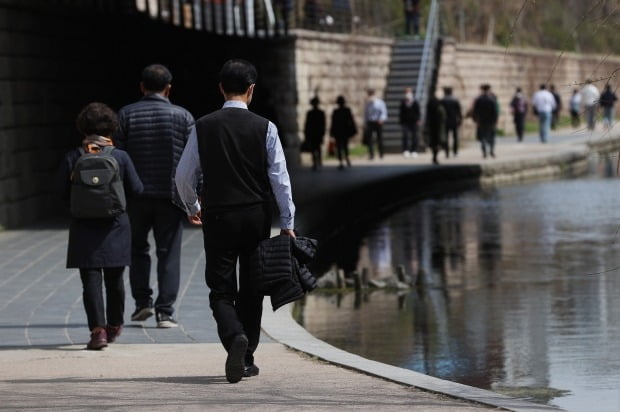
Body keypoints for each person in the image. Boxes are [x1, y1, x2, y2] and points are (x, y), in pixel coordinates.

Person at [175, 59, 296, 384]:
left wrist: (192, 205)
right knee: (253, 288)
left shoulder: (203, 126)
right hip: (256, 216)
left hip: (218, 215)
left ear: (220, 88)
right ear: (252, 89)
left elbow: (184, 175)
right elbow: (279, 178)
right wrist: (287, 220)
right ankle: (247, 356)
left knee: (220, 288)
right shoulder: (265, 127)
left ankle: (233, 337)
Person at [56, 102, 143, 350]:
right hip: (115, 225)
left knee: (90, 280)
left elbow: (59, 191)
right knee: (115, 279)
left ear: (83, 127)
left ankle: (98, 331)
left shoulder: (74, 156)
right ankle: (114, 325)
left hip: (83, 227)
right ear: (111, 127)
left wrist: (81, 205)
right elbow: (137, 189)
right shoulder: (120, 156)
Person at [116, 64, 195, 328]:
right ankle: (166, 312)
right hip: (170, 197)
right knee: (168, 252)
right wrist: (195, 199)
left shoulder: (125, 115)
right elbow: (193, 161)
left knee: (137, 249)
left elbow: (118, 159)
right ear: (169, 88)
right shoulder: (183, 117)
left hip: (135, 197)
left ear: (142, 86)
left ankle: (141, 304)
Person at [330, 95, 357, 169]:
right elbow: (351, 121)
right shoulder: (345, 110)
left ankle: (342, 161)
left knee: (340, 146)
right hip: (343, 131)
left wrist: (332, 132)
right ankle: (345, 159)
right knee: (344, 146)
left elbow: (334, 123)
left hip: (340, 131)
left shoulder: (337, 111)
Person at [472, 84, 499, 158]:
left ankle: (484, 152)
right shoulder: (492, 99)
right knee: (492, 136)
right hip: (491, 121)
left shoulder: (478, 99)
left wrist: (475, 120)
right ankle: (491, 151)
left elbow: (475, 111)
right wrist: (496, 120)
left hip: (481, 121)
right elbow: (495, 111)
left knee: (483, 136)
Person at [363, 88, 388, 160]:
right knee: (370, 139)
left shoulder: (380, 102)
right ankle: (371, 154)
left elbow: (383, 112)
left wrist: (381, 119)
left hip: (378, 122)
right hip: (370, 122)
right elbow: (366, 114)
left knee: (379, 139)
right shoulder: (367, 103)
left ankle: (381, 153)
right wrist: (365, 123)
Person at [304, 96, 326, 171]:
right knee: (316, 148)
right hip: (316, 133)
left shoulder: (311, 113)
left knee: (315, 148)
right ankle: (318, 162)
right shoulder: (320, 113)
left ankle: (316, 162)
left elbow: (307, 125)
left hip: (314, 133)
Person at [440, 86, 462, 157]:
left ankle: (447, 152)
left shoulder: (442, 101)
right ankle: (455, 151)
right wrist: (460, 120)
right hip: (454, 120)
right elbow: (459, 112)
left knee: (446, 136)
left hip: (445, 121)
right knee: (455, 137)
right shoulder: (455, 100)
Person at [398, 87, 420, 158]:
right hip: (405, 121)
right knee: (405, 136)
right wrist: (400, 121)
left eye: (409, 92)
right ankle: (406, 150)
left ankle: (414, 150)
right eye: (406, 92)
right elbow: (401, 112)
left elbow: (418, 111)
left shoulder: (415, 101)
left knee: (414, 136)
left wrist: (418, 119)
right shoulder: (403, 102)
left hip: (413, 121)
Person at [425, 94, 446, 165]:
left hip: (431, 126)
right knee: (437, 142)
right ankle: (435, 156)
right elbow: (443, 116)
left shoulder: (429, 106)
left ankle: (434, 155)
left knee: (433, 142)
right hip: (438, 126)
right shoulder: (439, 106)